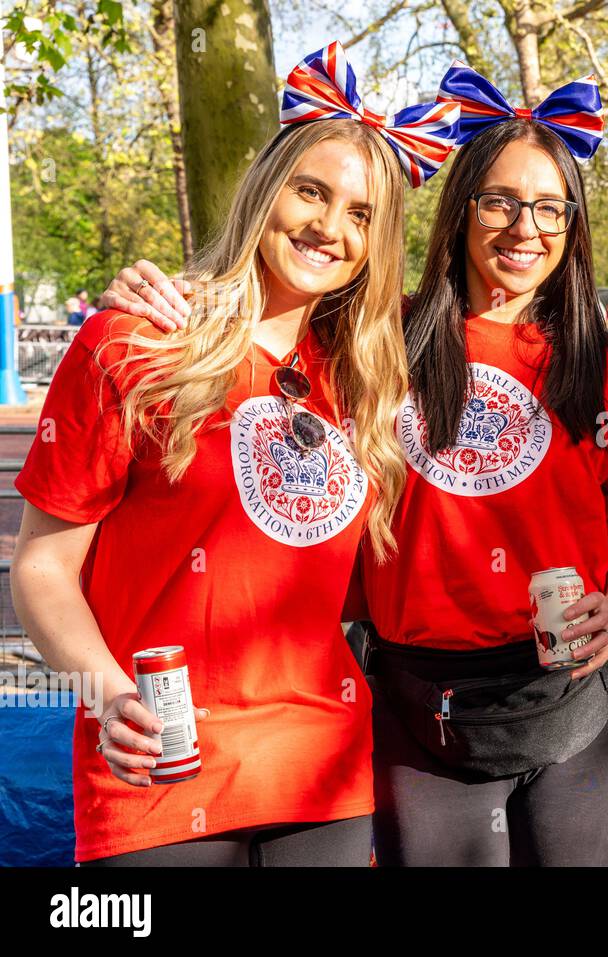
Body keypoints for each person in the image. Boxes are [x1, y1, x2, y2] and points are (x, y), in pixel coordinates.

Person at [11, 41, 453, 865]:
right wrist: (103, 695)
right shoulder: (138, 341)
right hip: (156, 765)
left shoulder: (367, 378)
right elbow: (40, 565)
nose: (330, 227)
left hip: (322, 777)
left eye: (361, 214)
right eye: (311, 192)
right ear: (263, 192)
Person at [358, 63, 608, 866]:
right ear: (460, 212)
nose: (524, 227)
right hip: (425, 706)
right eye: (499, 201)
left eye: (549, 207)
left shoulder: (604, 365)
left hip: (576, 699)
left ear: (572, 226)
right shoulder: (380, 340)